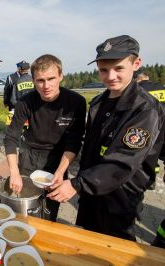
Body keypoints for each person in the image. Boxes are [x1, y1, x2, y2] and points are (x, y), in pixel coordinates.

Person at [48, 35, 165, 241]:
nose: (111, 76)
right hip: (92, 192)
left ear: (136, 64)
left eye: (118, 68)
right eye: (103, 70)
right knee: (89, 239)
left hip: (119, 196)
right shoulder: (98, 102)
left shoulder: (145, 109)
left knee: (114, 247)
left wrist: (76, 184)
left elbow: (122, 162)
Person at [4, 54, 86, 221]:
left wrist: (60, 172)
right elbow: (11, 137)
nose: (46, 86)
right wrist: (14, 172)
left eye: (51, 79)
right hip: (30, 154)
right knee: (25, 203)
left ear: (61, 76)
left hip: (58, 156)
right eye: (40, 80)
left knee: (49, 207)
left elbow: (74, 142)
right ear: (33, 80)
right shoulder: (25, 102)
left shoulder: (76, 102)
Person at [136, 71, 165, 190]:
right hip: (163, 124)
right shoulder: (161, 87)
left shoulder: (138, 89)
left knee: (149, 154)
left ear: (137, 79)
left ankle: (150, 179)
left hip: (149, 124)